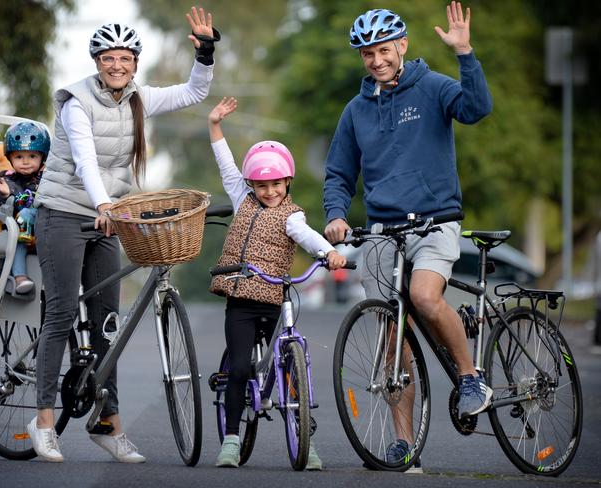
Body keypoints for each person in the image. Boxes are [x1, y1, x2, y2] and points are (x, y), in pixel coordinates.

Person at [27, 7, 219, 463]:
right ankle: (43, 421)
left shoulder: (139, 98)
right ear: (97, 62)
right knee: (59, 313)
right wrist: (104, 205)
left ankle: (107, 424)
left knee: (107, 322)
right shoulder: (76, 102)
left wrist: (206, 53)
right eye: (109, 57)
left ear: (135, 63)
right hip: (64, 211)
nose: (118, 65)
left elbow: (194, 91)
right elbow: (86, 160)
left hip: (108, 217)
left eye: (126, 58)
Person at [322, 2, 493, 468]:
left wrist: (465, 55)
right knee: (390, 336)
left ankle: (470, 375)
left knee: (424, 296)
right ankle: (405, 446)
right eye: (366, 54)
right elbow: (338, 173)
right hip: (382, 231)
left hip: (435, 221)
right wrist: (336, 215)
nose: (376, 60)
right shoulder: (355, 111)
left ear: (401, 46)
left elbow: (476, 109)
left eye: (382, 50)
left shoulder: (433, 87)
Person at [207, 97, 347, 469]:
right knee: (238, 368)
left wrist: (328, 253)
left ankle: (306, 441)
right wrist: (215, 125)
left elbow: (307, 236)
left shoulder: (291, 216)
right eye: (262, 185)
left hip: (274, 298)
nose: (269, 192)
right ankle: (232, 440)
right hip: (240, 299)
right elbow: (225, 166)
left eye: (276, 185)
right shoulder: (243, 199)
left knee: (291, 366)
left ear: (288, 182)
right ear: (251, 184)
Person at [0, 121, 49, 294]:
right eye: (19, 157)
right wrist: (4, 195)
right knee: (19, 241)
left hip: (45, 229)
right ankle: (20, 278)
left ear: (42, 158)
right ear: (10, 158)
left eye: (32, 156)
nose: (25, 162)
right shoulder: (5, 179)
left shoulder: (47, 179)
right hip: (19, 233)